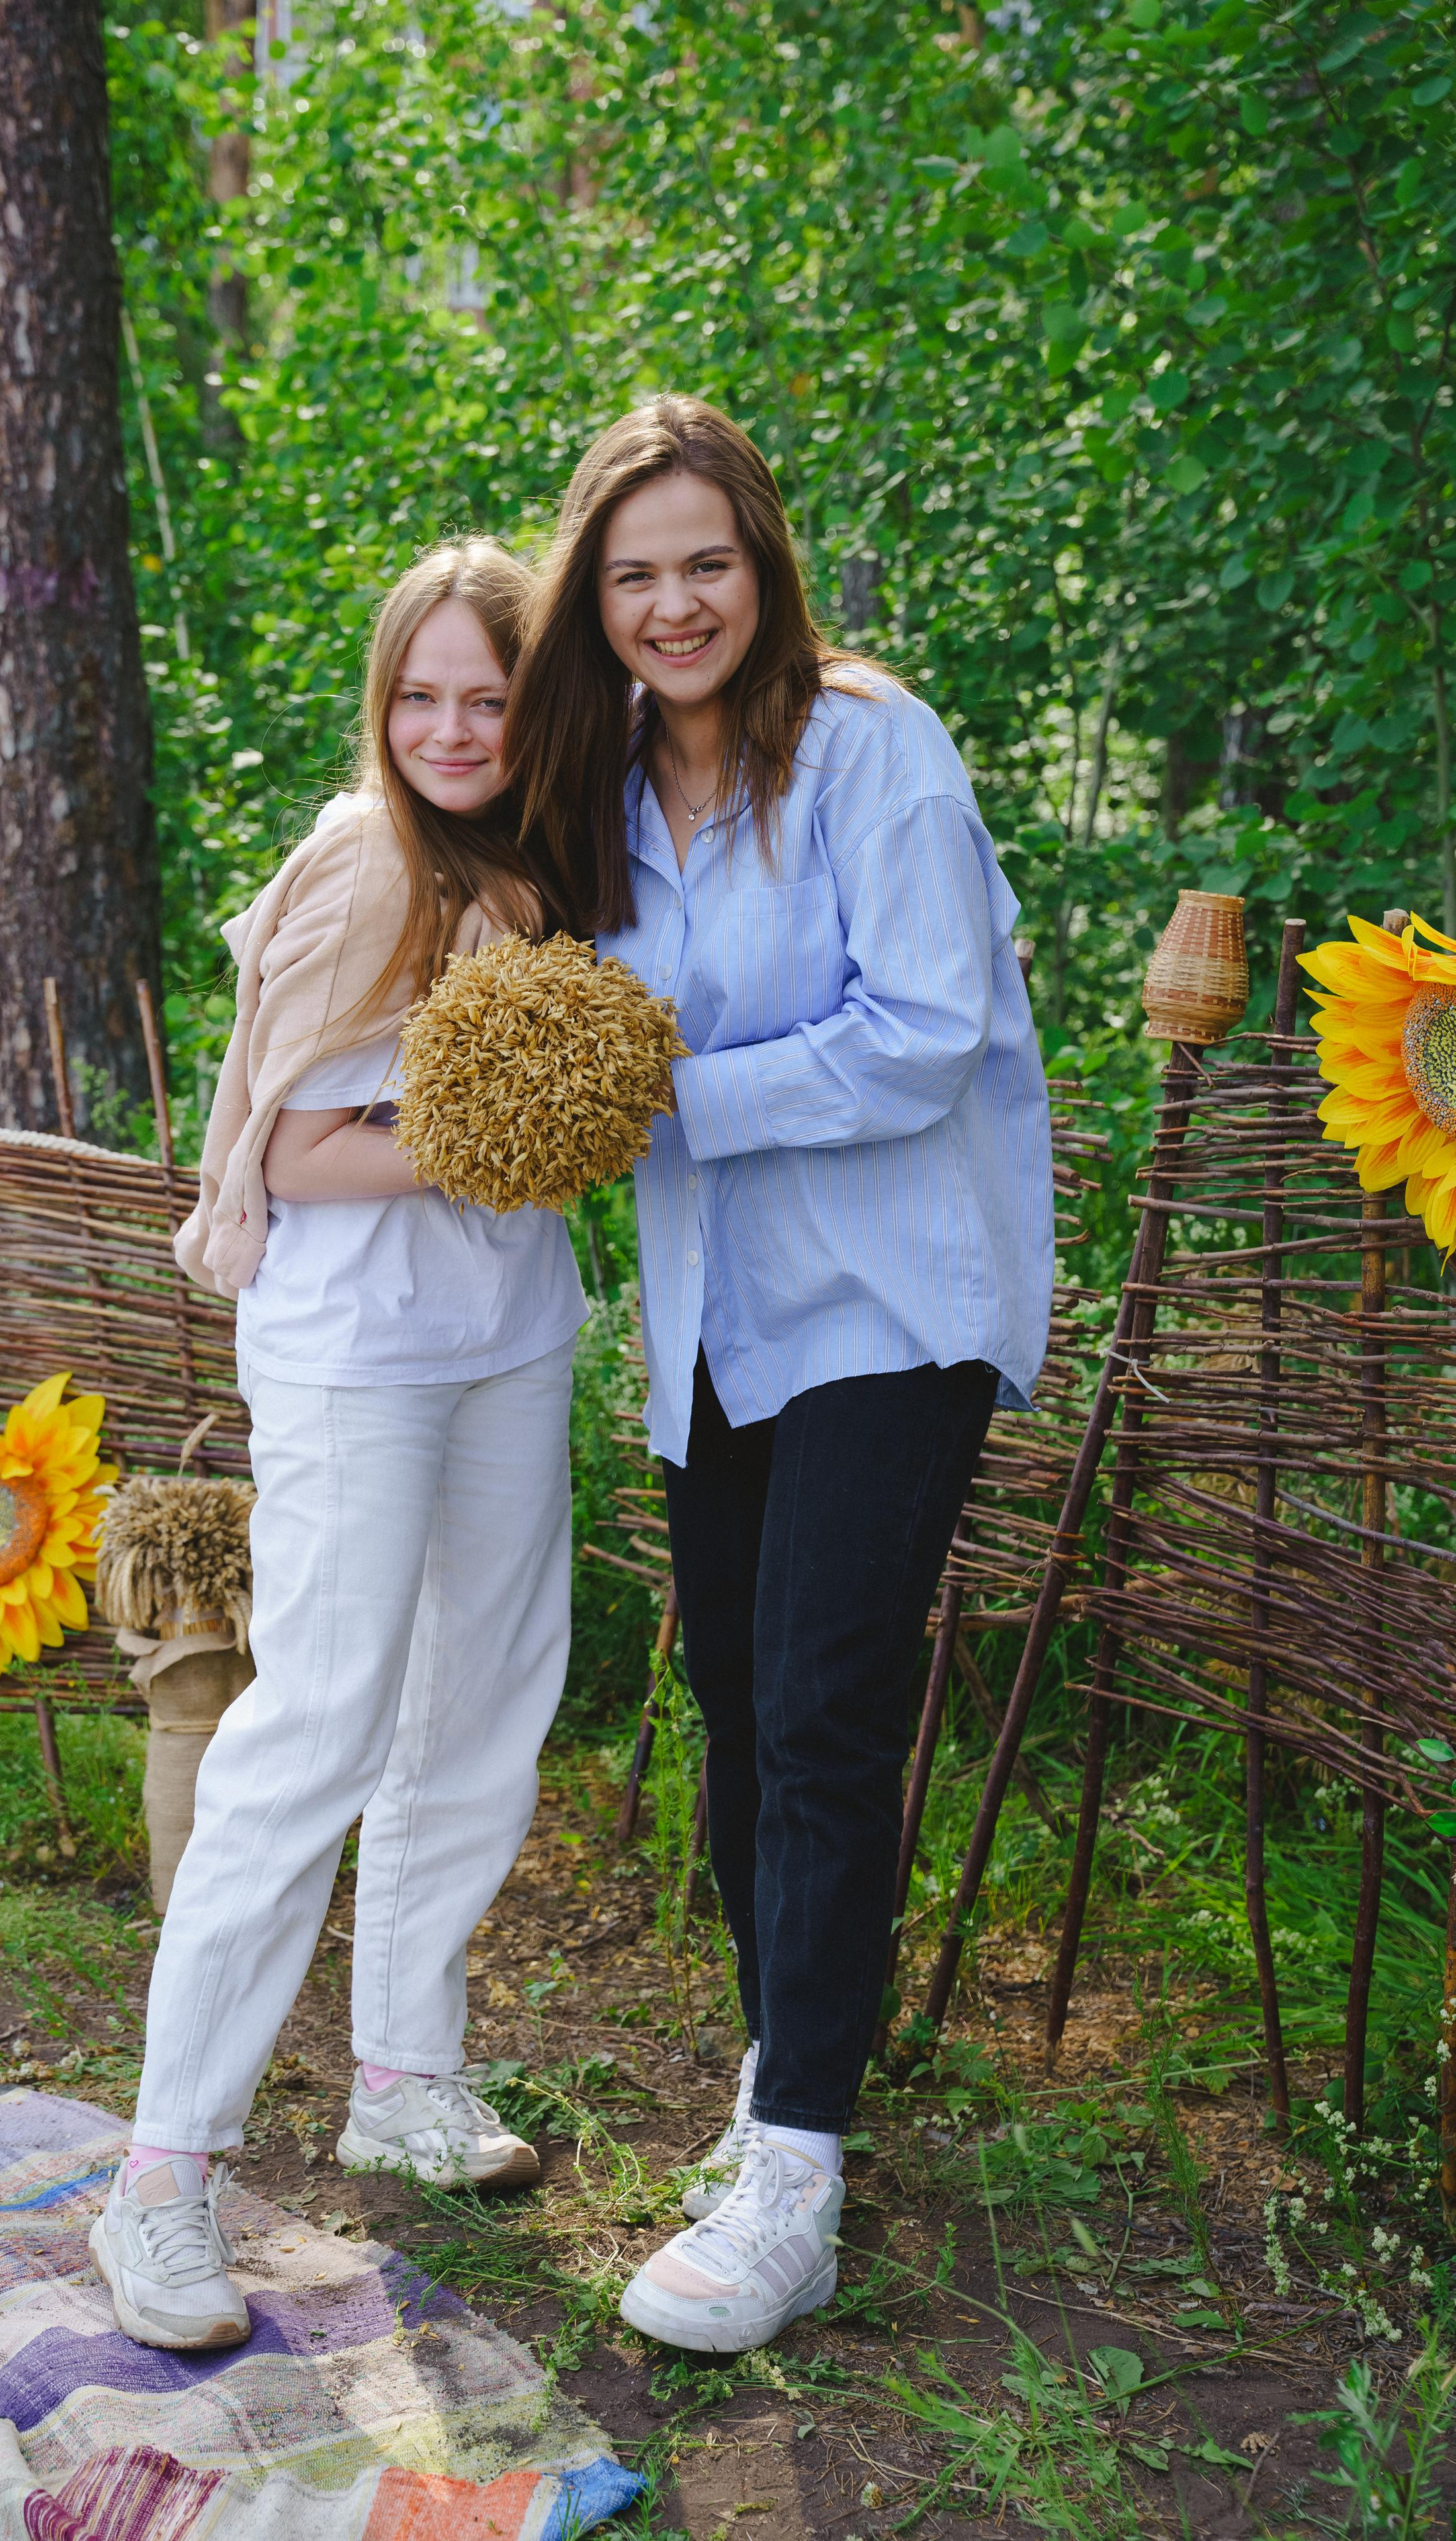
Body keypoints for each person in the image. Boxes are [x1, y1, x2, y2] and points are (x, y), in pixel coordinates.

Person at [504, 397, 1052, 2355]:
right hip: (724, 1317)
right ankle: (786, 2079)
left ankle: (800, 2168)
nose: (674, 605)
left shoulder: (873, 752)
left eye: (705, 564)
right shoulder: (602, 787)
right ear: (598, 598)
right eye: (635, 574)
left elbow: (920, 1034)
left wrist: (655, 1096)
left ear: (764, 564)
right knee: (738, 1701)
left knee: (825, 1705)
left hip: (894, 1300)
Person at [91, 541, 588, 2352]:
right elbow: (287, 1158)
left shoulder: (535, 869)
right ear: (382, 705)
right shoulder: (360, 864)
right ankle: (163, 2175)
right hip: (358, 1352)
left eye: (490, 697)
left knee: (484, 1702)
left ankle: (405, 2077)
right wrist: (506, 1128)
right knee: (315, 1723)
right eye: (422, 694)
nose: (453, 728)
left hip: (510, 1333)